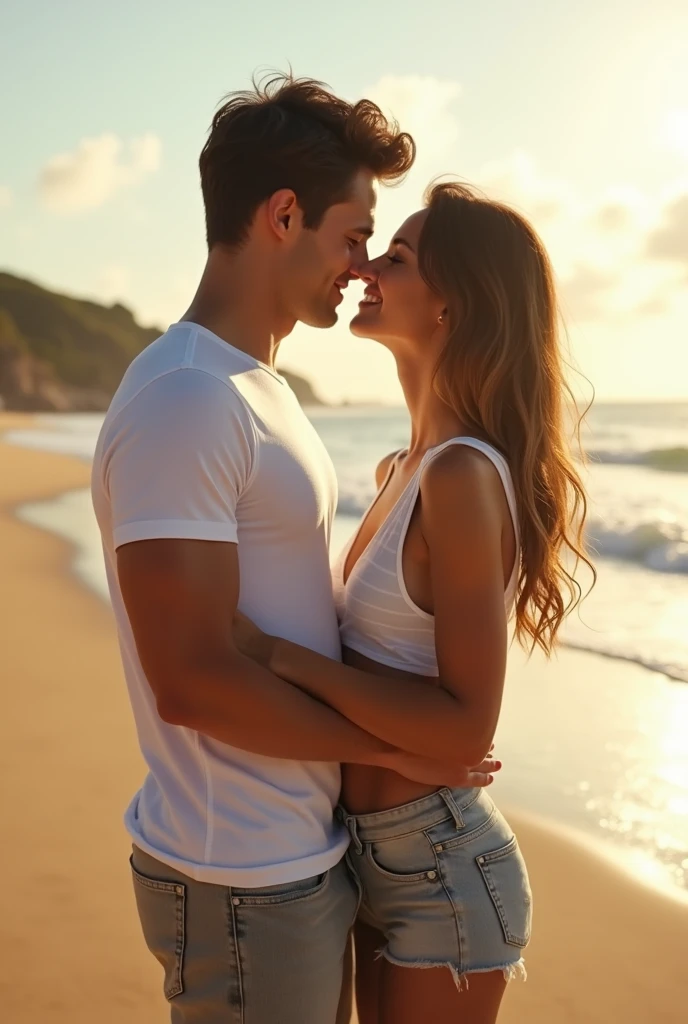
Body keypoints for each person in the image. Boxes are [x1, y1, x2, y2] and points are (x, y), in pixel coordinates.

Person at [91, 77, 499, 1024]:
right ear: (284, 215)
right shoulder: (188, 397)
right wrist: (395, 747)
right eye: (355, 235)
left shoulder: (258, 389)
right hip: (239, 870)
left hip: (294, 857)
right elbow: (192, 680)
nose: (361, 266)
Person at [234, 181, 594, 1024]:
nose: (364, 266)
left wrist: (280, 657)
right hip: (368, 855)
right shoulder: (400, 469)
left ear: (453, 305)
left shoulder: (463, 476)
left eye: (394, 259)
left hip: (441, 865)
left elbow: (467, 726)